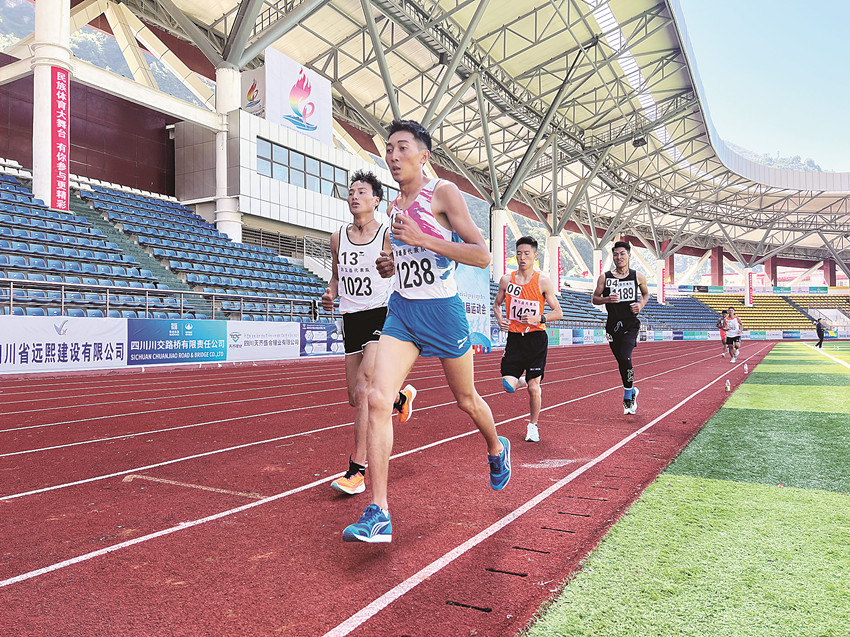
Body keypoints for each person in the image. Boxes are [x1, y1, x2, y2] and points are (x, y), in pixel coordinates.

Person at [342, 120, 510, 543]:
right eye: (389, 149)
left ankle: (496, 447)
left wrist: (425, 240)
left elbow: (482, 255)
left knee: (466, 400)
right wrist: (389, 264)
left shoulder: (443, 192)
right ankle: (379, 510)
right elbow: (397, 258)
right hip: (403, 311)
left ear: (423, 156)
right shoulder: (394, 208)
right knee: (377, 398)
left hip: (442, 312)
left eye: (402, 148)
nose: (393, 156)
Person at [322, 170, 416, 496]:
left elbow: (400, 268)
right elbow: (336, 277)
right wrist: (331, 292)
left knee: (364, 388)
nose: (354, 196)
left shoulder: (387, 235)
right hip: (351, 317)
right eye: (351, 192)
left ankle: (357, 471)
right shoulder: (337, 237)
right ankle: (399, 397)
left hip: (381, 313)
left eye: (361, 192)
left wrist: (392, 268)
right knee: (354, 396)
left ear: (376, 200)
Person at [493, 236, 563, 442]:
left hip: (536, 339)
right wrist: (500, 319)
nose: (522, 257)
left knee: (534, 388)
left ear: (535, 256)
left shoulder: (542, 282)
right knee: (508, 385)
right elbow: (497, 305)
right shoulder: (507, 280)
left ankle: (533, 425)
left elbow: (558, 312)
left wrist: (539, 318)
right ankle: (524, 380)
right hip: (515, 340)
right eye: (519, 253)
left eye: (526, 253)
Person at [591, 241, 649, 415]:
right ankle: (632, 390)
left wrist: (640, 305)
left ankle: (627, 395)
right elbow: (594, 298)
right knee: (622, 361)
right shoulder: (605, 277)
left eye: (622, 253)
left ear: (629, 255)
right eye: (616, 254)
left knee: (625, 357)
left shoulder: (637, 276)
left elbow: (646, 294)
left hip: (630, 324)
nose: (619, 257)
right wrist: (607, 299)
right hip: (612, 326)